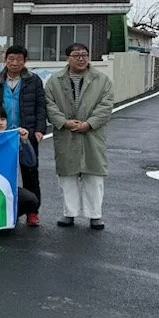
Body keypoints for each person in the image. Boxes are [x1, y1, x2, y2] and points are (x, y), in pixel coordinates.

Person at [45, 43, 114, 230]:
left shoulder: (101, 80)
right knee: (68, 176)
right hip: (66, 133)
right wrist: (64, 122)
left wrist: (89, 123)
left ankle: (95, 215)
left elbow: (106, 105)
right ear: (67, 58)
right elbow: (49, 105)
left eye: (84, 55)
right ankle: (69, 213)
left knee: (94, 175)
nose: (81, 59)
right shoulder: (55, 80)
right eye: (76, 55)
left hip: (92, 134)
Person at [0, 45, 47, 226]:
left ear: (25, 61)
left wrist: (39, 129)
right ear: (5, 59)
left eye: (19, 59)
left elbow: (40, 105)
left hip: (24, 134)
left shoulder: (33, 80)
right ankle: (5, 210)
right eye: (11, 59)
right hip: (0, 136)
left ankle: (32, 212)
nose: (15, 63)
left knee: (30, 172)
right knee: (0, 172)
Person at [0, 105, 40, 222]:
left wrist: (24, 141)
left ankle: (9, 216)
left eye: (3, 119)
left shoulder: (12, 139)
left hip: (6, 187)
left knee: (31, 199)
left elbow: (30, 162)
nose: (0, 123)